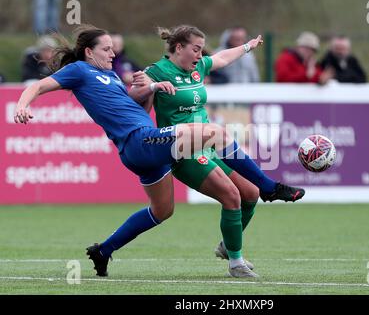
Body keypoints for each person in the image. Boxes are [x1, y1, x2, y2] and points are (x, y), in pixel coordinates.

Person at [14, 25, 305, 279]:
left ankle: (103, 250)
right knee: (217, 134)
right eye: (106, 49)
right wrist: (22, 105)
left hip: (139, 149)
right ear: (89, 52)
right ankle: (268, 187)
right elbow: (38, 86)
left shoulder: (113, 77)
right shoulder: (79, 70)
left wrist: (149, 88)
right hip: (143, 141)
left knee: (162, 211)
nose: (113, 53)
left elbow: (136, 107)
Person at [133, 25, 261, 275]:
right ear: (179, 47)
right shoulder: (156, 71)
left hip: (208, 146)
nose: (200, 56)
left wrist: (247, 47)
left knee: (251, 193)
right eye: (196, 49)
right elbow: (135, 94)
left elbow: (222, 58)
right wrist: (148, 86)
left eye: (202, 50)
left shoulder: (197, 68)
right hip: (182, 150)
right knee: (231, 196)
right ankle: (236, 263)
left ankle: (228, 246)